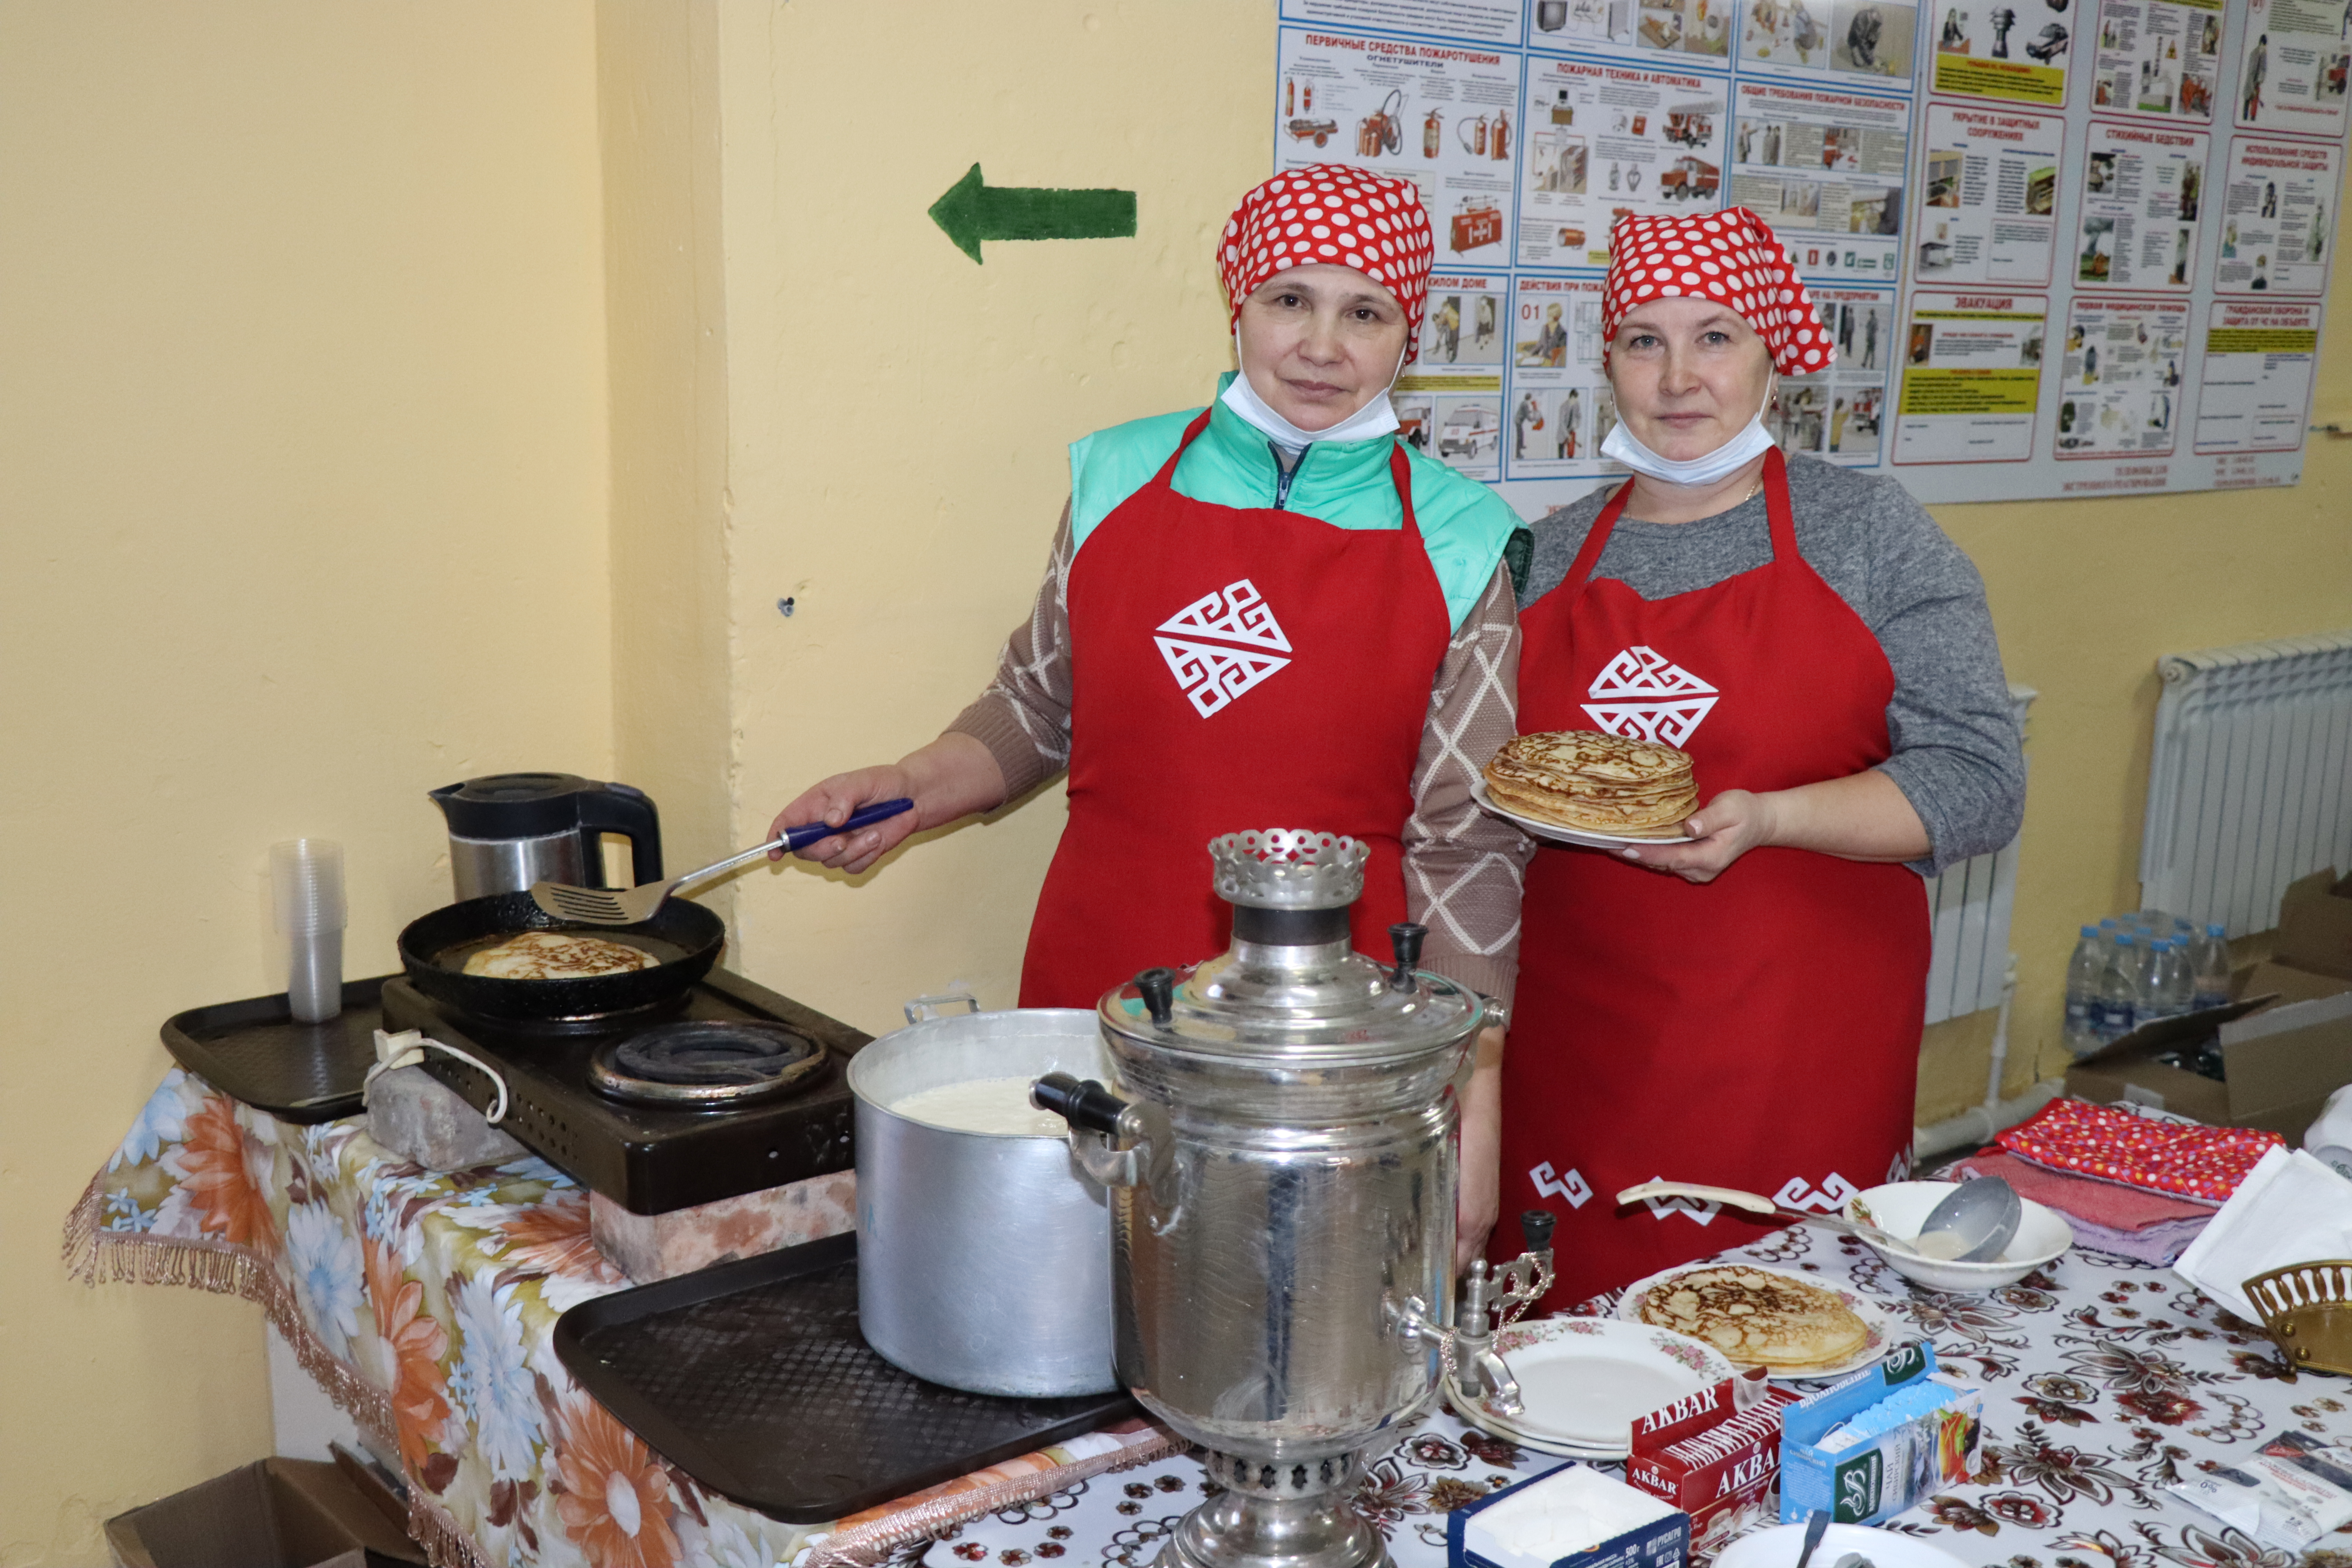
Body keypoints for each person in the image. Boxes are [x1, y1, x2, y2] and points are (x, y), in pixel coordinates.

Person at [773, 165, 1531, 1259]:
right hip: (1100, 984)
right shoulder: (1117, 479)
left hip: (1330, 1031)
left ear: (1407, 336)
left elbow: (1472, 849)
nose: (1323, 344)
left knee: (1281, 1324)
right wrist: (912, 787)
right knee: (1076, 1297)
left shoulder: (1462, 542)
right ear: (1238, 308)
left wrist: (1476, 1097)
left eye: (1364, 311)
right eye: (1290, 301)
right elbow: (1037, 707)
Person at [1491, 208, 2025, 1304]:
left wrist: (1776, 819)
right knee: (1570, 1346)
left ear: (1773, 350)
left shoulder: (1869, 533)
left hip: (1795, 1041)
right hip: (1575, 1046)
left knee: (1782, 1347)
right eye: (1645, 341)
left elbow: (1980, 781)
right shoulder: (1544, 553)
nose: (1679, 377)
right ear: (1609, 365)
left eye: (1715, 337)